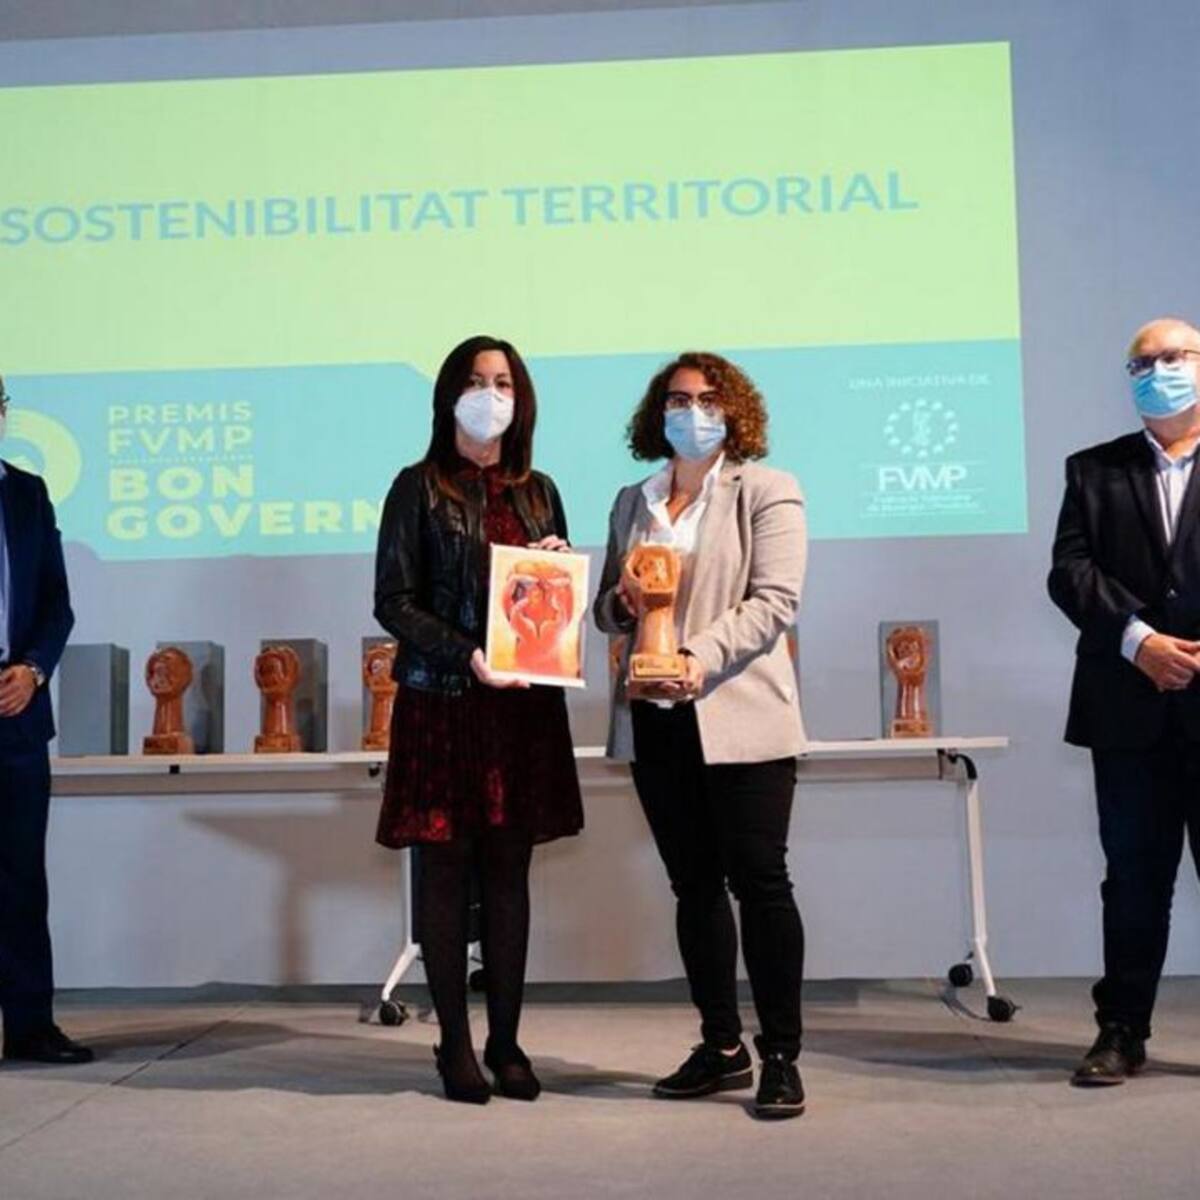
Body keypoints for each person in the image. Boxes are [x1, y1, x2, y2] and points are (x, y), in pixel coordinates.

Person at [593, 352, 808, 1118]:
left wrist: (697, 659)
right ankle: (722, 1046)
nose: (693, 412)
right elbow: (606, 611)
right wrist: (621, 603)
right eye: (679, 399)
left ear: (734, 410)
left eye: (709, 399)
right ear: (659, 414)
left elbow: (774, 601)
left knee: (761, 881)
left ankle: (781, 1056)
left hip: (739, 715)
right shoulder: (634, 500)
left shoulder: (767, 490)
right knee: (693, 887)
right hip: (654, 720)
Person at [374, 335, 583, 1104]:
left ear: (521, 401)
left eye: (503, 382)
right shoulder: (416, 487)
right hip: (444, 702)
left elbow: (550, 596)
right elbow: (393, 601)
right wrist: (466, 654)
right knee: (443, 869)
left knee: (508, 872)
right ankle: (455, 1045)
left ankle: (507, 1042)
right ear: (448, 397)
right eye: (474, 381)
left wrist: (557, 570)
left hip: (521, 711)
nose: (489, 395)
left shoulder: (539, 491)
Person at [1049, 316, 1200, 1086]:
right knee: (1134, 880)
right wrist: (1139, 641)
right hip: (1128, 709)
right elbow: (1069, 573)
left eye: (1173, 357)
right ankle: (1121, 1030)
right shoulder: (1093, 470)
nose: (1157, 371)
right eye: (1142, 362)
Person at [0, 375, 92, 1065]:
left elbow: (57, 604)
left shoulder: (27, 493)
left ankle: (31, 1025)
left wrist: (32, 669)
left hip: (17, 709)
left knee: (21, 879)